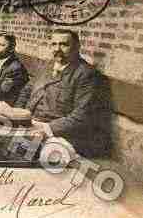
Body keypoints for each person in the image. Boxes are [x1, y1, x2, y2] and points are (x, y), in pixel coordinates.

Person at [15, 29, 110, 158]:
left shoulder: (86, 74)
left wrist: (45, 129)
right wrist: (18, 115)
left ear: (77, 47)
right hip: (31, 125)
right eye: (54, 44)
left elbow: (81, 116)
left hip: (61, 134)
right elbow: (26, 91)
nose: (57, 49)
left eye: (64, 44)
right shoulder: (46, 66)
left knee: (24, 158)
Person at [0, 34, 29, 106]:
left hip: (7, 107)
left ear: (11, 48)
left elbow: (3, 94)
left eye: (1, 45)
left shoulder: (16, 68)